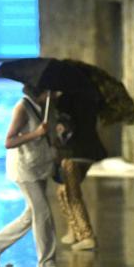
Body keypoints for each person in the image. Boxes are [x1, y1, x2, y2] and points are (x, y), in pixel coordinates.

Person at [0, 86, 66, 267]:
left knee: (32, 214)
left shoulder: (46, 108)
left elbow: (48, 136)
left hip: (39, 165)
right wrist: (36, 133)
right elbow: (9, 141)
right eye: (50, 92)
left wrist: (56, 132)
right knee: (43, 211)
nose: (54, 94)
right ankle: (46, 264)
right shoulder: (22, 108)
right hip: (24, 169)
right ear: (39, 91)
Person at [52, 92, 105, 251]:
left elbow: (64, 132)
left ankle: (87, 236)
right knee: (62, 191)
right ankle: (74, 230)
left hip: (73, 156)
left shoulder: (67, 104)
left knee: (72, 194)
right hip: (87, 154)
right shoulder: (88, 100)